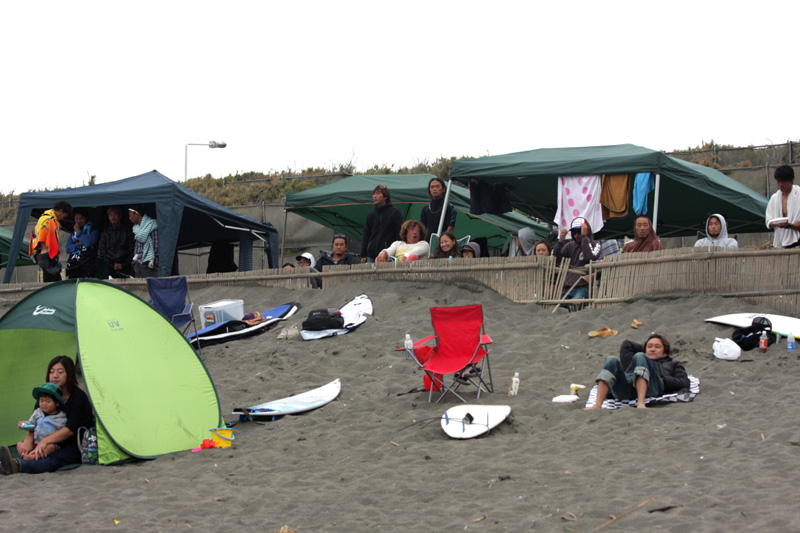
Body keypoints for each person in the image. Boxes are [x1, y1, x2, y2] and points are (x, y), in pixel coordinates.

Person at [1, 356, 95, 475]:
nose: (55, 376)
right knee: (24, 446)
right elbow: (35, 419)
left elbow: (70, 430)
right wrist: (28, 440)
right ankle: (5, 464)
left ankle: (18, 465)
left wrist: (45, 441)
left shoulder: (78, 397)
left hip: (73, 443)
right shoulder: (46, 394)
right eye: (51, 372)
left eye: (60, 372)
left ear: (69, 374)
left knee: (54, 458)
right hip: (46, 437)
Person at [584, 334, 690, 410]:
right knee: (611, 359)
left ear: (665, 352)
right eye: (649, 346)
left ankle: (641, 402)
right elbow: (627, 344)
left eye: (657, 347)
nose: (652, 349)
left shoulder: (673, 364)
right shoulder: (634, 359)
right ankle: (597, 405)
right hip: (627, 386)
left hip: (652, 386)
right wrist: (645, 351)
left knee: (640, 356)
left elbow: (684, 381)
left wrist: (664, 380)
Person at [552, 217, 601, 302]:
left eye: (579, 231)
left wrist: (585, 237)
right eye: (574, 232)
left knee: (574, 305)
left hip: (583, 287)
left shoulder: (595, 244)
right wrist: (560, 242)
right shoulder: (569, 246)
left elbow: (590, 257)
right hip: (568, 287)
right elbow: (556, 261)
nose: (576, 235)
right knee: (558, 307)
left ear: (586, 230)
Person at [17, 382, 68, 459]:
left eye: (48, 401)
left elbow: (62, 433)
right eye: (41, 401)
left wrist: (52, 439)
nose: (44, 404)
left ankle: (32, 457)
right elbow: (31, 425)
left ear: (57, 403)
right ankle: (25, 454)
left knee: (50, 448)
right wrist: (24, 425)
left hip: (49, 444)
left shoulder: (61, 417)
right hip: (35, 442)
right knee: (19, 444)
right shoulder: (37, 412)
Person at [29, 200, 72, 282]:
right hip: (46, 255)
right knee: (53, 281)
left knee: (53, 279)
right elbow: (43, 238)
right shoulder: (49, 219)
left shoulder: (48, 217)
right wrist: (47, 255)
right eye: (64, 216)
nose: (63, 218)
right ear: (60, 211)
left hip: (46, 255)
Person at [361, 184, 403, 263]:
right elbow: (366, 234)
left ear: (385, 196)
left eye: (378, 193)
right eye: (374, 194)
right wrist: (363, 254)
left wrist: (397, 252)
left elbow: (399, 234)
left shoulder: (395, 212)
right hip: (371, 255)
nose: (374, 196)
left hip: (388, 254)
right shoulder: (371, 214)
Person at [765, 165, 800, 248]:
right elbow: (768, 219)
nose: (781, 184)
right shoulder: (774, 198)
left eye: (783, 181)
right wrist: (773, 223)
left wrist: (790, 225)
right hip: (782, 242)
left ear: (791, 180)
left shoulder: (798, 195)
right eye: (778, 181)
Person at [98, 206, 134, 279]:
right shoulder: (105, 233)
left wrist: (123, 264)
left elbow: (132, 250)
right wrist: (112, 264)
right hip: (110, 267)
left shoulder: (127, 232)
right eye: (110, 215)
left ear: (120, 216)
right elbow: (102, 252)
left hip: (126, 267)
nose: (113, 217)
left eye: (115, 214)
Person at [65, 209, 100, 279]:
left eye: (81, 218)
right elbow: (68, 249)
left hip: (87, 266)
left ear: (86, 218)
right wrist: (79, 244)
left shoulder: (93, 231)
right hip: (74, 265)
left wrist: (79, 232)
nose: (78, 221)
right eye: (76, 219)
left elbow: (87, 243)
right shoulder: (73, 233)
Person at [420, 177, 456, 241]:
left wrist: (441, 242)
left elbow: (450, 229)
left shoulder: (449, 207)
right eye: (432, 187)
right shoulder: (425, 209)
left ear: (443, 189)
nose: (434, 189)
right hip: (429, 242)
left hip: (443, 243)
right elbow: (423, 229)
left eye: (437, 186)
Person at [128, 205, 159, 278]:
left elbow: (156, 247)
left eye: (130, 215)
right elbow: (137, 246)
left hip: (150, 264)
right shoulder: (136, 228)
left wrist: (140, 256)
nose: (129, 218)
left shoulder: (152, 225)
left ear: (136, 214)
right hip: (138, 265)